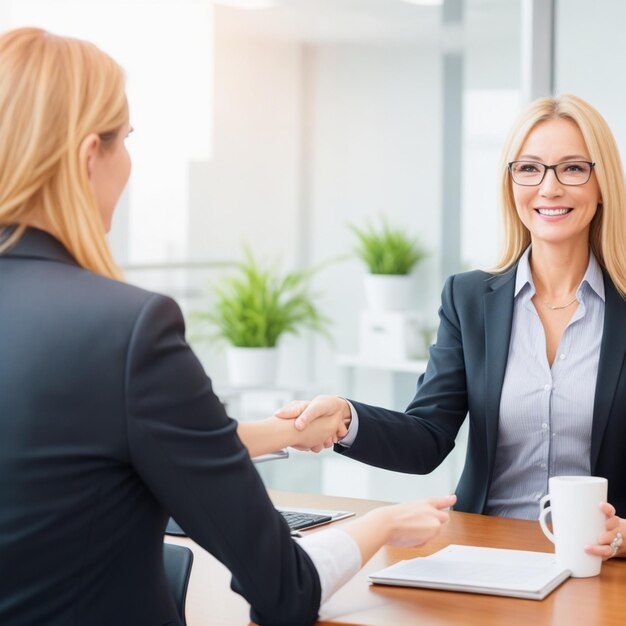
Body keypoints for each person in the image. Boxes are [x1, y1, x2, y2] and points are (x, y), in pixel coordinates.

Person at [0, 27, 456, 626]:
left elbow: (110, 444)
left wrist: (284, 431)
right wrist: (384, 521)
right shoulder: (126, 329)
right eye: (127, 140)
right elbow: (284, 591)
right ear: (90, 156)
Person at [277, 93, 626, 562]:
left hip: (600, 564)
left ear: (602, 183)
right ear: (511, 184)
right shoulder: (468, 299)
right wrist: (345, 417)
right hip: (485, 551)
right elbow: (427, 438)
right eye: (529, 168)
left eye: (572, 168)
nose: (549, 187)